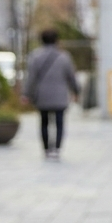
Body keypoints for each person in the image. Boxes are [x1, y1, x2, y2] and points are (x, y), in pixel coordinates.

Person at [22, 28, 79, 159]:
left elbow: (31, 78)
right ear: (56, 40)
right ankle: (57, 148)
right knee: (59, 122)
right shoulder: (64, 57)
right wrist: (76, 91)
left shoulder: (35, 56)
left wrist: (26, 94)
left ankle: (47, 148)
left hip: (42, 96)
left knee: (44, 122)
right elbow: (71, 77)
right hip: (60, 96)